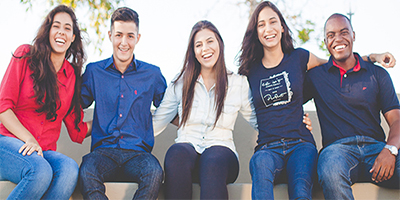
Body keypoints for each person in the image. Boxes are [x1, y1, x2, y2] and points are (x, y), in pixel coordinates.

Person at [237, 1, 394, 199]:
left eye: (273, 22)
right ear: (256, 31)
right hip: (280, 148)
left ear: (282, 27)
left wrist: (372, 57)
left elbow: (338, 60)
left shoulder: (301, 57)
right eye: (261, 24)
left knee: (301, 189)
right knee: (263, 165)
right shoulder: (251, 71)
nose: (268, 28)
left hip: (307, 145)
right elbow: (245, 104)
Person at [152, 20, 312, 200]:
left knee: (212, 160)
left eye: (210, 41)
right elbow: (157, 122)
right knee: (176, 154)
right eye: (199, 45)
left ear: (219, 43)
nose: (205, 48)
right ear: (193, 51)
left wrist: (294, 120)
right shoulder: (180, 83)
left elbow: (260, 120)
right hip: (187, 152)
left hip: (222, 155)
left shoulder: (238, 83)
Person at [304, 13, 400, 199]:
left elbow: (396, 119)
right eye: (331, 35)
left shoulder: (377, 74)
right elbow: (287, 102)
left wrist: (390, 149)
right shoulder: (316, 77)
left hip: (377, 149)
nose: (337, 39)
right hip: (337, 151)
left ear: (353, 35)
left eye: (344, 32)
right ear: (325, 42)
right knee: (330, 169)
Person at [0, 5, 90, 200]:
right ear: (48, 31)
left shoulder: (71, 76)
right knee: (41, 171)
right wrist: (29, 138)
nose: (61, 32)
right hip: (8, 143)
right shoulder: (25, 55)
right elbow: (3, 108)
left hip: (43, 151)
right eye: (56, 26)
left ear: (73, 37)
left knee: (69, 170)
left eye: (68, 28)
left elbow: (77, 131)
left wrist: (113, 118)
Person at [78, 7, 167, 200]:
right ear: (110, 35)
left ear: (138, 37)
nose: (124, 42)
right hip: (103, 153)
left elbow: (170, 108)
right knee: (86, 171)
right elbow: (74, 104)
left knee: (154, 173)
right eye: (118, 35)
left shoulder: (152, 75)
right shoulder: (94, 71)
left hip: (138, 154)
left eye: (130, 36)